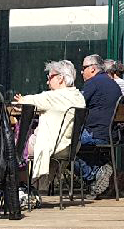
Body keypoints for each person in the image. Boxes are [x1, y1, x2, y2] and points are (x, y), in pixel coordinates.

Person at [15, 60, 87, 192]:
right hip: (70, 147)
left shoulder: (52, 97)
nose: (48, 82)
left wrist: (21, 100)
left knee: (14, 145)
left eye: (50, 77)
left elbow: (26, 102)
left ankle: (21, 187)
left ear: (60, 78)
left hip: (51, 147)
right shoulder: (79, 97)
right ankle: (36, 187)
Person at [75, 54, 119, 197]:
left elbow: (77, 104)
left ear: (93, 69)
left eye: (84, 68)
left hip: (94, 133)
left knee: (62, 144)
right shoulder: (113, 84)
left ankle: (94, 174)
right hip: (110, 134)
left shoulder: (93, 83)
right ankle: (100, 169)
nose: (82, 71)